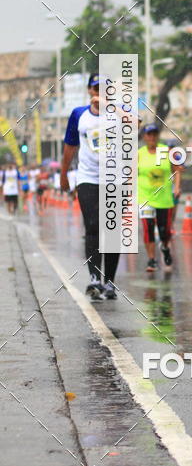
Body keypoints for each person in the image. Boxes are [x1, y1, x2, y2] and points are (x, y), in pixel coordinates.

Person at [60, 73, 121, 300]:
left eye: (105, 89)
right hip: (87, 178)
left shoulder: (119, 112)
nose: (100, 93)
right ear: (89, 91)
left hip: (114, 179)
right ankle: (95, 278)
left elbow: (137, 125)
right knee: (93, 225)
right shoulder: (79, 115)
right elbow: (69, 147)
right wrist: (63, 175)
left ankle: (110, 283)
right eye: (96, 89)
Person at [138, 124, 179, 272]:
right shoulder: (139, 154)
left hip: (164, 199)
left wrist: (178, 187)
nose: (152, 137)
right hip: (145, 199)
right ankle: (151, 259)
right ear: (144, 137)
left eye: (154, 134)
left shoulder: (166, 151)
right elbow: (131, 174)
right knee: (148, 228)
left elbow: (177, 170)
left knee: (164, 231)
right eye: (149, 134)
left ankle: (165, 249)